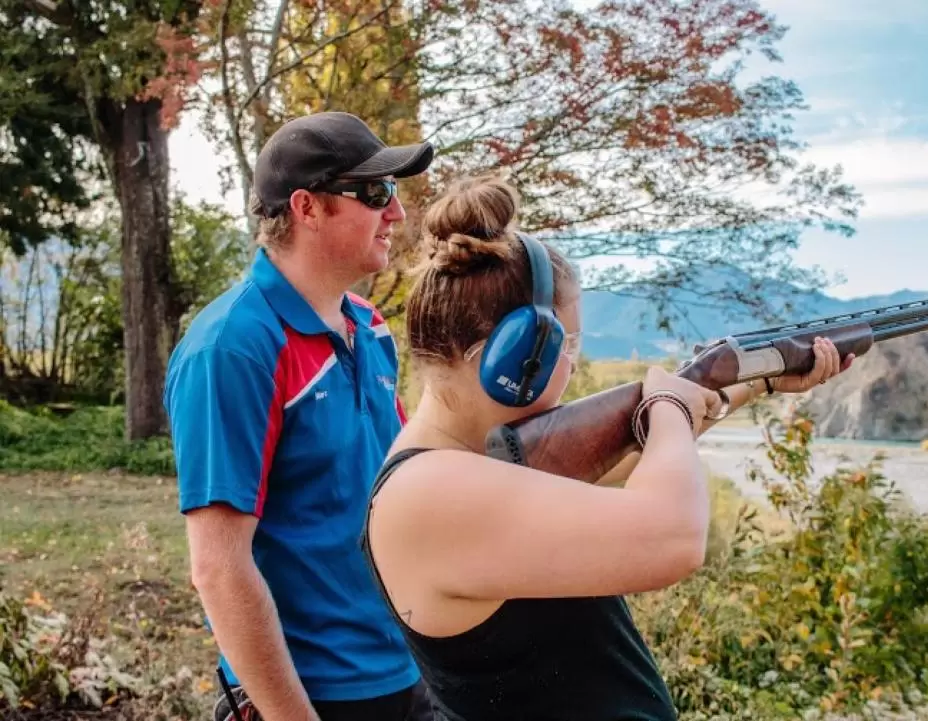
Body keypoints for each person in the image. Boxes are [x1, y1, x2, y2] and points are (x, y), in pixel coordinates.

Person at [359, 173, 855, 720]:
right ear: (517, 358)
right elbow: (672, 535)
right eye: (565, 345)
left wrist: (756, 382)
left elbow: (632, 461)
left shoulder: (477, 462)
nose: (571, 365)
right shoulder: (429, 492)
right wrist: (667, 406)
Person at [163, 111, 437, 721]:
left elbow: (400, 488)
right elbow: (218, 567)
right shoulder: (233, 347)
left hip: (407, 673)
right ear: (307, 207)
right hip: (312, 698)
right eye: (374, 193)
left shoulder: (369, 328)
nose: (395, 213)